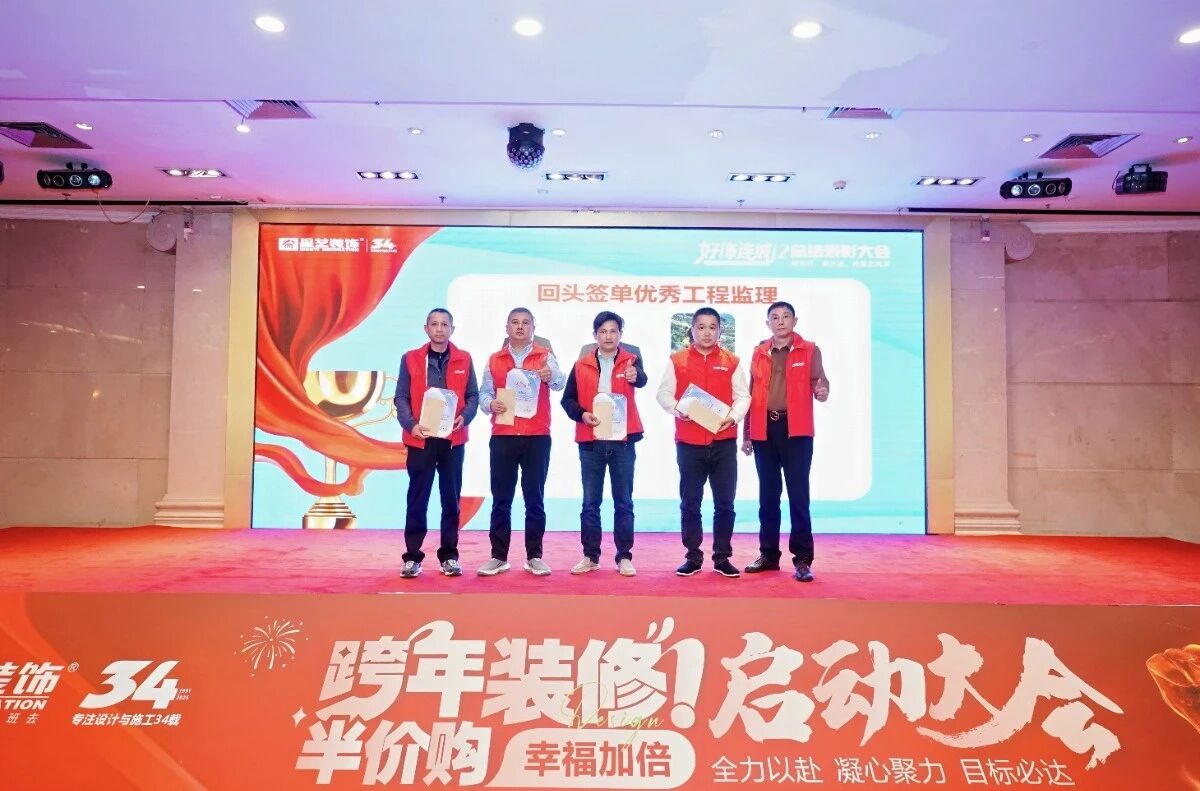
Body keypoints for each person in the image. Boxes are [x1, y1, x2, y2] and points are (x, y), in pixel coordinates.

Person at [656, 307, 750, 578]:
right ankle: (693, 556)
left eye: (712, 327)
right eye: (701, 327)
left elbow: (743, 396)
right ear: (692, 330)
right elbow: (663, 394)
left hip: (723, 442)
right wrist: (677, 410)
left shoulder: (732, 361)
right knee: (690, 503)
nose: (707, 332)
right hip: (689, 443)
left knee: (725, 504)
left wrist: (733, 417)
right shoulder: (678, 360)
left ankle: (722, 557)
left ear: (720, 330)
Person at [741, 301, 830, 582]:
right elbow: (752, 393)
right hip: (764, 430)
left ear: (795, 321)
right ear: (767, 323)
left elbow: (820, 383)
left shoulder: (809, 350)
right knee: (767, 497)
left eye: (786, 316)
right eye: (775, 317)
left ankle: (802, 558)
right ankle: (768, 555)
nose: (780, 321)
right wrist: (747, 434)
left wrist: (822, 391)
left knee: (798, 496)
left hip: (796, 431)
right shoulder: (759, 351)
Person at [477, 307, 565, 576]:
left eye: (525, 323)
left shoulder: (545, 356)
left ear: (533, 329)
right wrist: (490, 404)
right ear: (507, 328)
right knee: (501, 500)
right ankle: (498, 557)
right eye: (514, 322)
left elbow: (560, 383)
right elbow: (483, 394)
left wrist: (551, 376)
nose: (519, 327)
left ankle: (534, 556)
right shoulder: (495, 359)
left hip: (537, 436)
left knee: (534, 499)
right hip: (503, 436)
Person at [560, 311, 648, 577]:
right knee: (590, 503)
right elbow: (567, 400)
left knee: (624, 502)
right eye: (603, 332)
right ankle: (590, 556)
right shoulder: (581, 364)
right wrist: (582, 414)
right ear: (595, 335)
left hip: (623, 442)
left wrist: (636, 376)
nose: (608, 336)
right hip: (591, 441)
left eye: (613, 331)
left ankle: (624, 557)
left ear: (620, 334)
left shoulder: (631, 360)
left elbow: (642, 380)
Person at [393, 308, 479, 578]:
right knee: (417, 499)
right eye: (434, 324)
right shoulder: (410, 358)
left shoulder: (465, 358)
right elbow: (401, 397)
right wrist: (411, 426)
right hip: (421, 440)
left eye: (444, 324)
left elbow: (473, 396)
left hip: (452, 441)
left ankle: (449, 556)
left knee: (451, 501)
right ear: (426, 329)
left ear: (452, 329)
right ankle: (412, 557)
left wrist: (464, 417)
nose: (439, 329)